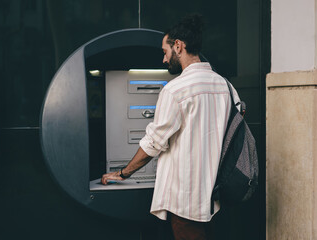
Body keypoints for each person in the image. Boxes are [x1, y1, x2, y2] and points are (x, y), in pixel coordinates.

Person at [101, 14, 240, 240]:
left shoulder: (176, 90)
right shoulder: (226, 86)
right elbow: (236, 123)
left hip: (185, 198)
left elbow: (154, 143)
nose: (164, 60)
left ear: (178, 46)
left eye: (165, 52)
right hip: (216, 194)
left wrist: (124, 172)